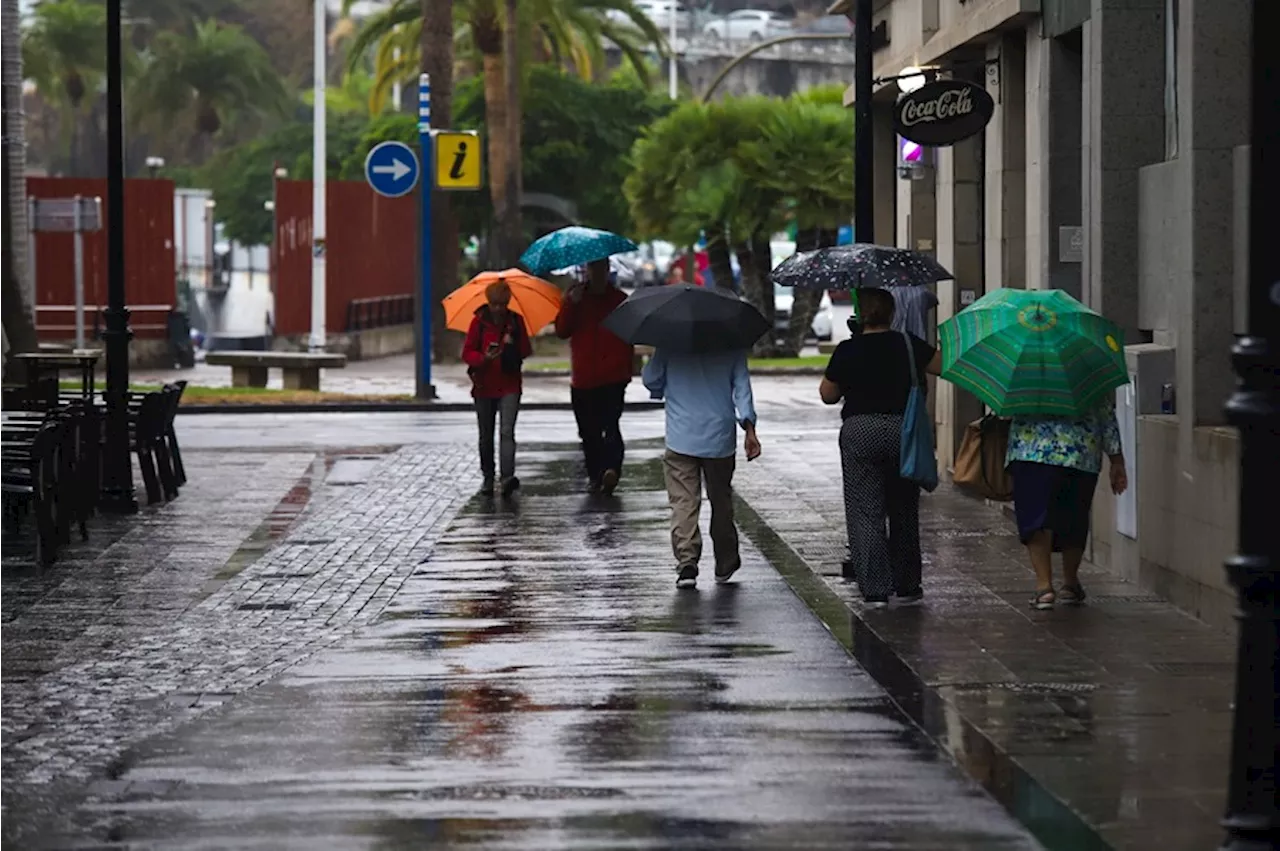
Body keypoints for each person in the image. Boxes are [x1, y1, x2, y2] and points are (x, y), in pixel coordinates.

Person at [819, 288, 941, 608]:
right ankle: (907, 584)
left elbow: (828, 395)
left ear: (860, 316)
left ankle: (875, 588)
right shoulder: (907, 343)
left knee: (865, 510)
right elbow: (942, 366)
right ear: (891, 313)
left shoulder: (847, 349)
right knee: (903, 507)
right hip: (902, 430)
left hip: (860, 431)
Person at [643, 346, 760, 589]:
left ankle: (687, 561)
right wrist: (749, 428)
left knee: (683, 501)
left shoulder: (671, 341)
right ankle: (725, 560)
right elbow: (742, 388)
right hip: (719, 437)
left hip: (681, 436)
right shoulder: (730, 343)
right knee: (721, 499)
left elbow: (651, 379)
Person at [1007, 407, 1128, 610]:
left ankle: (1044, 587)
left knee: (1034, 517)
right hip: (1079, 451)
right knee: (1074, 516)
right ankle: (1070, 583)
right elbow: (1104, 412)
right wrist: (1116, 458)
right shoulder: (1087, 374)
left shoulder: (1021, 375)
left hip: (1030, 450)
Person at [555, 258, 634, 495]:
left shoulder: (618, 300)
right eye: (593, 268)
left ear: (608, 270)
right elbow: (561, 330)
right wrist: (571, 304)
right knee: (588, 431)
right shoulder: (575, 297)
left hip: (613, 376)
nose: (597, 273)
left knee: (610, 425)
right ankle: (595, 475)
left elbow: (630, 334)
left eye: (602, 268)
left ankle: (611, 470)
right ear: (587, 270)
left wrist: (624, 368)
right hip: (584, 377)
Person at [462, 280, 533, 498]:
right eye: (495, 304)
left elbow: (526, 350)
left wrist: (512, 344)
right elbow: (467, 353)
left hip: (509, 384)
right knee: (486, 434)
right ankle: (488, 476)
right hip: (484, 385)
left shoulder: (516, 322)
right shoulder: (479, 323)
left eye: (502, 304)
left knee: (506, 432)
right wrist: (484, 358)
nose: (499, 309)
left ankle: (507, 477)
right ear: (489, 303)